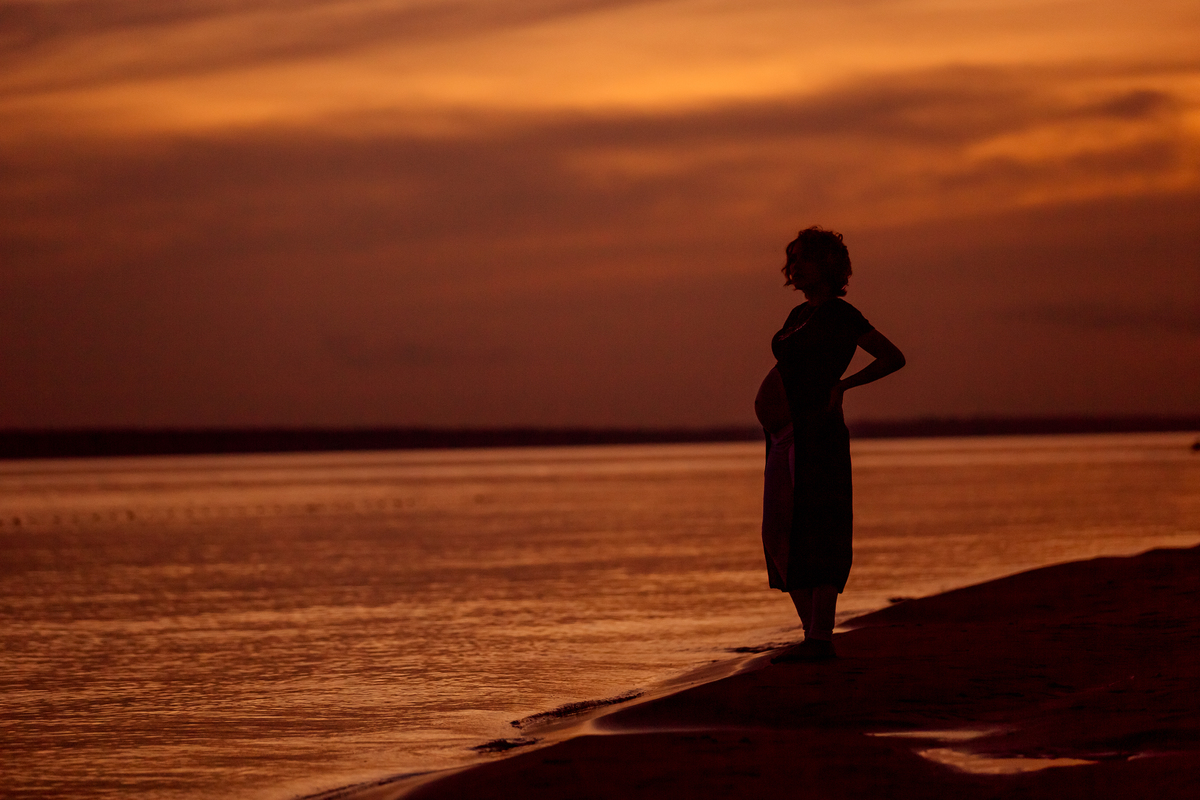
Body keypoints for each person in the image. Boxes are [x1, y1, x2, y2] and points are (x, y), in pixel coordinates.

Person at [755, 226, 905, 662]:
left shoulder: (841, 314)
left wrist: (844, 385)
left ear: (827, 264)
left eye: (803, 257)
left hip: (815, 432)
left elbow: (892, 357)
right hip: (781, 436)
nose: (794, 266)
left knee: (817, 530)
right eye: (793, 258)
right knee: (777, 533)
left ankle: (819, 638)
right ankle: (811, 634)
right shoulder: (795, 316)